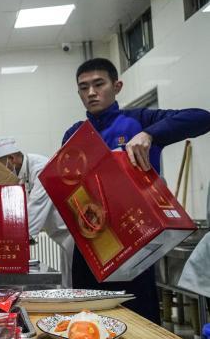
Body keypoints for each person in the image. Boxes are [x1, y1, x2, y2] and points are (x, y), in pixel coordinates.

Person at [64, 57, 210, 323]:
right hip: (90, 242)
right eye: (84, 88)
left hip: (134, 241)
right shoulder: (74, 134)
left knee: (137, 319)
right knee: (86, 319)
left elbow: (202, 118)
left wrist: (151, 134)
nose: (91, 93)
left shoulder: (139, 120)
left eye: (99, 84)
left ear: (117, 86)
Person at [0, 138, 74, 283]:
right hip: (60, 234)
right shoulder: (20, 174)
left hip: (71, 233)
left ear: (11, 159)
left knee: (76, 277)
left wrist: (14, 243)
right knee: (69, 278)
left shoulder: (40, 167)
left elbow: (36, 206)